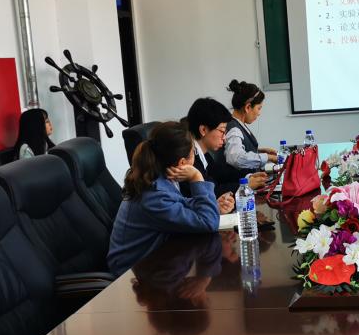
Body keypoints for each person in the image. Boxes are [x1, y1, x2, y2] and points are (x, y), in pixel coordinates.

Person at [108, 121, 230, 277]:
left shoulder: (159, 176)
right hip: (134, 273)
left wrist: (212, 205)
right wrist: (196, 176)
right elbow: (208, 222)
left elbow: (178, 205)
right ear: (182, 163)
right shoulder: (154, 195)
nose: (195, 156)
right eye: (194, 152)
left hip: (160, 259)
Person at [183, 97, 268, 203]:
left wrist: (248, 177)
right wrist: (245, 185)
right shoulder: (189, 160)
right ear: (203, 130)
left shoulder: (203, 154)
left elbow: (222, 174)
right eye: (222, 131)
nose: (224, 138)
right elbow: (213, 191)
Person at [211, 79, 277, 183]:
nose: (259, 113)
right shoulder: (234, 130)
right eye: (259, 109)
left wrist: (260, 151)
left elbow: (233, 149)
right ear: (248, 107)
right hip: (233, 186)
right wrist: (269, 158)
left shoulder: (234, 124)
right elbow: (236, 158)